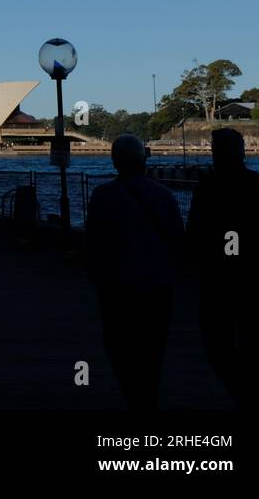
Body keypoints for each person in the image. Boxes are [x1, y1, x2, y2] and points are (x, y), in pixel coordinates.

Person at [85, 134, 184, 409]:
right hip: (157, 283)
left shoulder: (103, 195)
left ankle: (134, 395)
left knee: (119, 343)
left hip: (117, 284)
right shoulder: (164, 194)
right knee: (153, 345)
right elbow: (178, 238)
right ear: (145, 159)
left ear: (115, 162)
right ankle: (148, 396)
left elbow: (94, 240)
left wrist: (95, 276)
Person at [187, 128, 259, 408]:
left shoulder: (207, 189)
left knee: (218, 344)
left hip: (218, 280)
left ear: (216, 154)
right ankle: (257, 396)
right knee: (255, 342)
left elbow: (195, 234)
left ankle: (247, 396)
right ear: (242, 152)